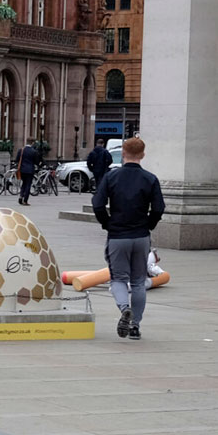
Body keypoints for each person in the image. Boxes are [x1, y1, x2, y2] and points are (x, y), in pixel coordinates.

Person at [90, 136, 165, 340]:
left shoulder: (111, 177)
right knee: (139, 282)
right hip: (141, 236)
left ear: (123, 152)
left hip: (118, 235)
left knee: (118, 279)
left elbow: (97, 204)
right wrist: (148, 224)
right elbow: (159, 208)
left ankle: (124, 309)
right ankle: (135, 326)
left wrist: (107, 223)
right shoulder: (150, 179)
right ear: (142, 154)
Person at [15, 139, 40, 205]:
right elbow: (36, 162)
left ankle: (21, 196)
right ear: (32, 143)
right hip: (30, 170)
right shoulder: (34, 151)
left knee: (24, 183)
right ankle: (25, 200)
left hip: (22, 170)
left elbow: (17, 159)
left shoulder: (21, 150)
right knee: (28, 185)